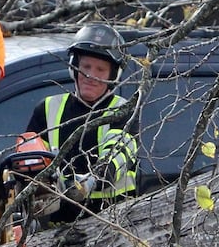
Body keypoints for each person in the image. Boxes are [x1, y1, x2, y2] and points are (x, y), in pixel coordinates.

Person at [18, 23, 139, 224]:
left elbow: (117, 157)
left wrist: (90, 181)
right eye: (86, 67)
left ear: (113, 75)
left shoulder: (123, 111)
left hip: (112, 224)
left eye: (100, 69)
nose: (91, 75)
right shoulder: (47, 109)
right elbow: (29, 160)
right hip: (55, 229)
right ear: (74, 67)